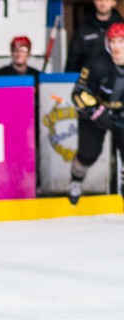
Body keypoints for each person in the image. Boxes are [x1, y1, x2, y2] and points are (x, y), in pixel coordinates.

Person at [68, 22, 124, 206]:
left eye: (121, 42)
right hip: (95, 114)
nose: (116, 47)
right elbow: (78, 93)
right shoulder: (96, 64)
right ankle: (76, 180)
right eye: (113, 42)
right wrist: (97, 111)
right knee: (88, 154)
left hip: (121, 114)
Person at [66, 0, 124, 72]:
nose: (103, 3)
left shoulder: (122, 27)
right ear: (94, 1)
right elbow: (73, 59)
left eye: (107, 0)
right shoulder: (83, 28)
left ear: (114, 2)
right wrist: (70, 77)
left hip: (117, 76)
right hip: (88, 76)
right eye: (99, 0)